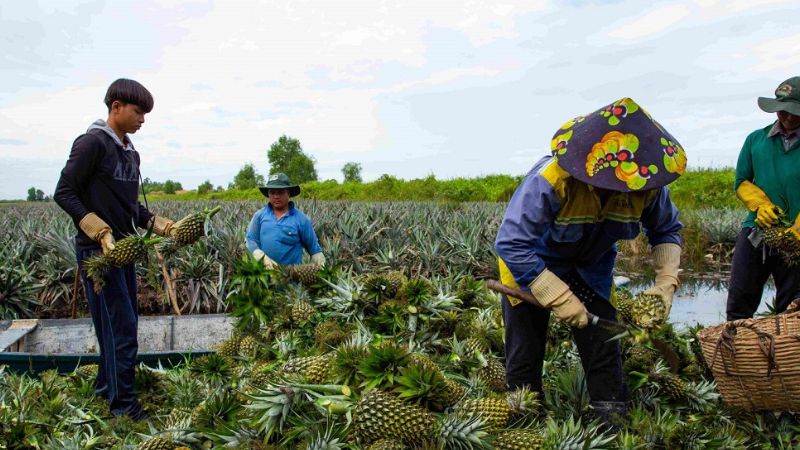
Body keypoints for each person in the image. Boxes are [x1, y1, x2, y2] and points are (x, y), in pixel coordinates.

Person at [495, 97, 685, 425]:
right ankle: (523, 423)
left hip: (590, 269)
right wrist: (557, 296)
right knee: (525, 352)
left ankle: (612, 422)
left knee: (603, 347)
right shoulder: (552, 179)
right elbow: (512, 243)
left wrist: (666, 281)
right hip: (529, 266)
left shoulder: (647, 184)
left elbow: (666, 229)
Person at [54, 78, 179, 420]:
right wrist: (97, 229)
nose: (143, 120)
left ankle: (105, 389)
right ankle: (124, 408)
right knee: (121, 328)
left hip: (124, 250)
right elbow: (64, 192)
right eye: (139, 112)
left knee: (120, 325)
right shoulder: (91, 143)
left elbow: (133, 209)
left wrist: (163, 225)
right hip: (98, 254)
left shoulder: (130, 152)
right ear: (116, 108)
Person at [727, 76, 800, 320]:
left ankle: (788, 356)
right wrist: (761, 206)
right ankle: (737, 354)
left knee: (793, 307)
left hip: (796, 238)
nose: (788, 117)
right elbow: (742, 181)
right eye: (783, 111)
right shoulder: (756, 140)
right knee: (740, 298)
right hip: (757, 231)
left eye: (795, 112)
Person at [245, 172, 325, 269]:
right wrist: (259, 255)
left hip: (292, 279)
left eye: (280, 192)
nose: (276, 196)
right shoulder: (259, 216)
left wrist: (319, 260)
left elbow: (313, 248)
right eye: (272, 192)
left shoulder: (301, 219)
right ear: (268, 194)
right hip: (265, 276)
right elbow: (250, 239)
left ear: (288, 193)